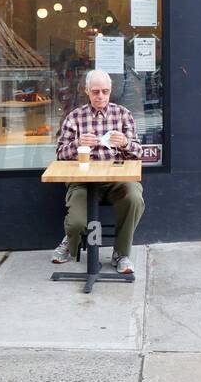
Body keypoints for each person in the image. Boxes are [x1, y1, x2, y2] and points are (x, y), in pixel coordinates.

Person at [50, 69, 145, 275]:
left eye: (105, 91)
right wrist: (77, 144)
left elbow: (139, 153)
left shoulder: (123, 115)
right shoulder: (74, 117)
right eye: (95, 92)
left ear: (111, 91)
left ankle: (121, 253)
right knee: (76, 223)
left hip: (116, 179)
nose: (100, 96)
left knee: (134, 197)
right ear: (86, 91)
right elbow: (59, 155)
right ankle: (71, 237)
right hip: (82, 180)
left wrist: (126, 143)